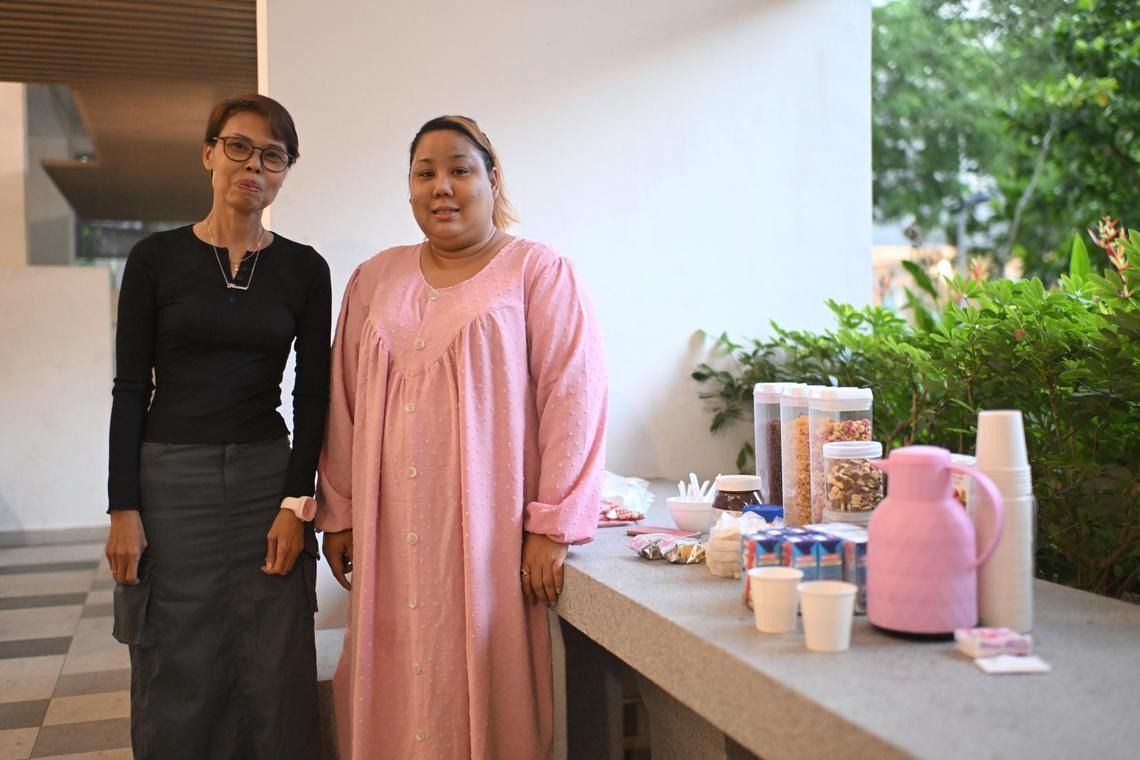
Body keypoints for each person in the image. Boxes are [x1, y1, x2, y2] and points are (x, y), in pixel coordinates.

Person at [318, 115, 608, 759]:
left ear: (491, 178)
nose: (441, 186)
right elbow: (342, 403)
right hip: (387, 537)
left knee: (484, 679)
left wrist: (551, 524)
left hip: (488, 539)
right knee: (386, 670)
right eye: (425, 173)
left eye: (459, 169)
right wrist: (337, 513)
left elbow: (573, 399)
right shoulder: (374, 278)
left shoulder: (538, 272)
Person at [104, 93, 331, 759]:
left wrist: (298, 501)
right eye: (238, 147)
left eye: (272, 155)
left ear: (285, 170)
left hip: (266, 479)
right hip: (170, 482)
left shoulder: (304, 269)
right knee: (176, 652)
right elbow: (127, 389)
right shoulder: (155, 259)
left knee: (275, 655)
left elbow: (313, 394)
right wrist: (123, 505)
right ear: (209, 153)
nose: (252, 166)